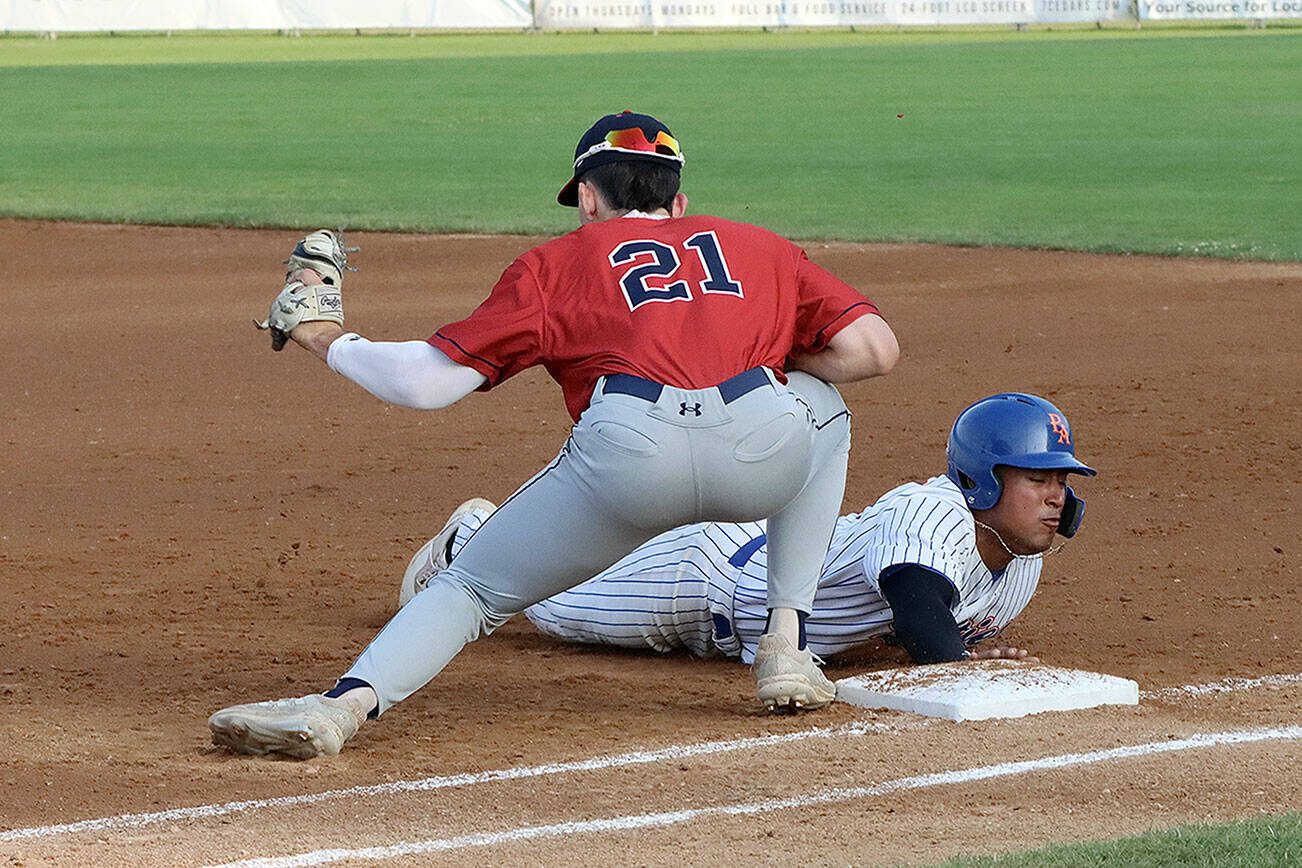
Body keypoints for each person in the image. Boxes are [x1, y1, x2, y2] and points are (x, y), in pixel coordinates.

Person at [209, 111, 899, 759]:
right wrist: (764, 366)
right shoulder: (762, 247)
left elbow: (428, 384)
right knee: (821, 403)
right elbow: (874, 349)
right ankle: (786, 642)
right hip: (763, 452)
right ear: (678, 203)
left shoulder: (558, 263)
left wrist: (322, 337)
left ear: (589, 200)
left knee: (473, 590)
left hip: (630, 463)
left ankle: (338, 710)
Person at [410, 393, 1094, 669]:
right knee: (545, 600)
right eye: (1039, 480)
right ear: (980, 480)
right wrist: (966, 669)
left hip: (748, 586)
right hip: (701, 581)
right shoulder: (931, 513)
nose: (1056, 499)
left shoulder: (1021, 560)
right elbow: (921, 611)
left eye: (1062, 483)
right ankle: (469, 539)